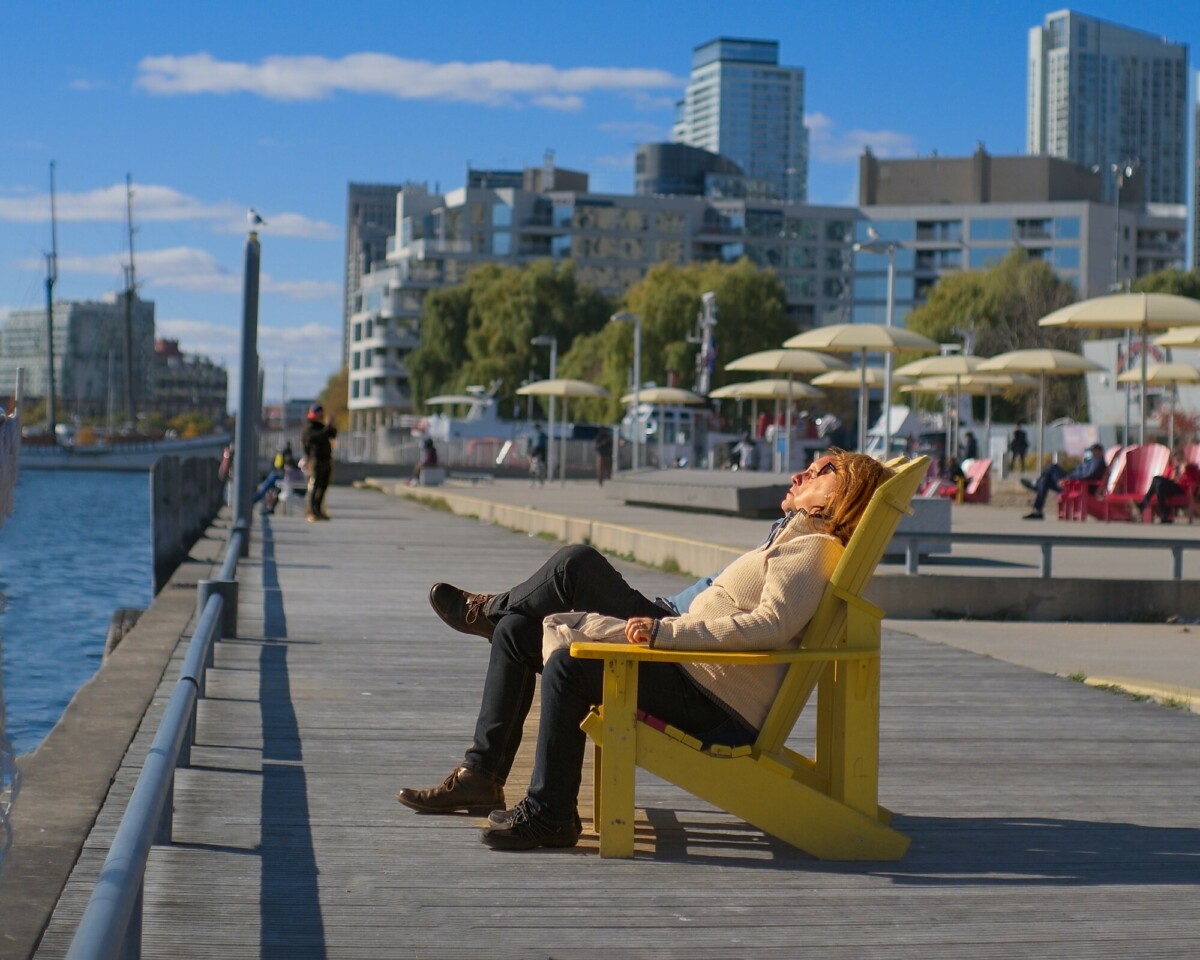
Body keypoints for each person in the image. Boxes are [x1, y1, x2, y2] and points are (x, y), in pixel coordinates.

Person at [397, 450, 897, 851]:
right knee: (517, 633)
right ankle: (482, 774)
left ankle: (550, 814)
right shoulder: (798, 537)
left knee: (575, 575)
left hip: (706, 693)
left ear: (846, 492)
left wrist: (664, 635)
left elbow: (769, 625)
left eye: (824, 467)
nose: (804, 471)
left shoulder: (813, 545)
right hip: (692, 667)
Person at [1020, 442, 1106, 519]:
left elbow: (1087, 476)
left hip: (1075, 485)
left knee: (1052, 468)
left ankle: (1035, 486)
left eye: (1094, 450)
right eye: (1091, 451)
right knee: (1045, 480)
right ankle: (1038, 510)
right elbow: (1079, 472)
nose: (1092, 452)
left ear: (1100, 451)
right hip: (1072, 483)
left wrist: (1067, 479)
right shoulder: (1091, 461)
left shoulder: (1098, 463)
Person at [1138, 451, 1200, 523]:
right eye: (1176, 460)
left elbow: (1195, 480)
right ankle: (1164, 515)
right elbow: (1165, 481)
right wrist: (1173, 477)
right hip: (1170, 489)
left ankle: (1145, 503)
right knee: (1158, 483)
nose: (1178, 462)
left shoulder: (1190, 468)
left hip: (1182, 490)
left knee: (1157, 479)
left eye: (1180, 459)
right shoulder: (1171, 469)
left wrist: (1185, 472)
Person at [301, 404, 337, 522]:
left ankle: (318, 510)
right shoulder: (309, 427)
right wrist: (326, 428)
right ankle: (311, 512)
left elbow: (332, 434)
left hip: (326, 458)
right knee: (315, 485)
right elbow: (318, 437)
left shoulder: (320, 426)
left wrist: (331, 424)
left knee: (323, 485)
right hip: (315, 459)